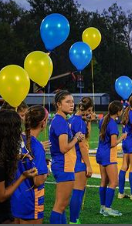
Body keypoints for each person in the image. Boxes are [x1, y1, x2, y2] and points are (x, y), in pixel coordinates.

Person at [49, 91, 85, 224]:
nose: (72, 105)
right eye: (67, 102)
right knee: (60, 206)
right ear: (58, 104)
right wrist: (76, 138)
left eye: (72, 101)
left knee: (62, 207)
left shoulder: (60, 120)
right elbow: (64, 148)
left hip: (63, 165)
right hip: (64, 165)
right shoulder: (60, 122)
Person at [11, 105, 49, 225]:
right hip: (30, 200)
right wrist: (47, 170)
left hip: (14, 197)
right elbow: (38, 181)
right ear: (43, 123)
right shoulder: (37, 146)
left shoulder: (15, 139)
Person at [96, 100, 127, 217]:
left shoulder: (103, 119)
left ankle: (103, 207)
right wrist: (122, 137)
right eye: (121, 110)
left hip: (100, 153)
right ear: (118, 112)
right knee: (114, 182)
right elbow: (113, 143)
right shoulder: (113, 124)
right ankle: (108, 208)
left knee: (104, 180)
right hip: (108, 155)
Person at [68, 97, 94, 224]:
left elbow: (87, 135)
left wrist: (88, 121)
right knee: (78, 191)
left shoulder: (72, 119)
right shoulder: (79, 122)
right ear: (89, 109)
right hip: (79, 160)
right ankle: (74, 220)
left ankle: (74, 219)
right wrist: (88, 165)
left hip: (72, 159)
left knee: (76, 191)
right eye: (90, 110)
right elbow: (83, 145)